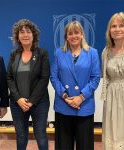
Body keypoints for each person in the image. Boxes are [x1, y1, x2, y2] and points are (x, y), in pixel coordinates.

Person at [50, 21, 101, 150]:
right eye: (70, 33)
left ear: (82, 34)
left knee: (85, 145)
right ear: (66, 37)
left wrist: (81, 97)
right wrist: (65, 96)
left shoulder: (92, 53)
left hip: (84, 106)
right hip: (63, 105)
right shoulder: (58, 53)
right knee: (63, 146)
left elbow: (95, 78)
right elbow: (54, 77)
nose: (74, 36)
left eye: (76, 33)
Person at [7, 19, 50, 150]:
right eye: (22, 32)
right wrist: (18, 99)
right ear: (17, 36)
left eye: (28, 31)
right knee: (21, 135)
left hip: (39, 103)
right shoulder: (13, 55)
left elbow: (44, 78)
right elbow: (9, 78)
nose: (25, 35)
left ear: (34, 35)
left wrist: (31, 102)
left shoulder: (42, 53)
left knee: (40, 134)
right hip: (17, 104)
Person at [101, 12, 124, 150]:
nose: (117, 29)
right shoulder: (106, 51)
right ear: (109, 30)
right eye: (113, 26)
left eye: (121, 25)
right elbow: (106, 77)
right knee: (113, 132)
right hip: (112, 98)